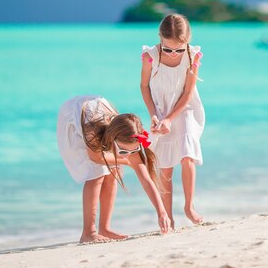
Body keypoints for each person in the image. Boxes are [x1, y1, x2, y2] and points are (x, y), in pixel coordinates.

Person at [57, 95, 170, 242]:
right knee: (95, 173)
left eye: (132, 151)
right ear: (112, 139)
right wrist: (125, 161)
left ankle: (105, 228)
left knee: (113, 169)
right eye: (123, 151)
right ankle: (88, 232)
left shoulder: (131, 138)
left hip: (97, 112)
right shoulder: (93, 131)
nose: (129, 155)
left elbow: (146, 180)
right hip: (72, 116)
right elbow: (95, 158)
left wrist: (161, 212)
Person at [140, 13, 205, 228]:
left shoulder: (192, 56)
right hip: (159, 112)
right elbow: (144, 86)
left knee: (187, 156)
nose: (174, 53)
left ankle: (189, 207)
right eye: (168, 49)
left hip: (185, 109)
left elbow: (188, 91)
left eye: (179, 48)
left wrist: (170, 118)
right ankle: (167, 217)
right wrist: (154, 116)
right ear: (160, 38)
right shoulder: (151, 57)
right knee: (165, 168)